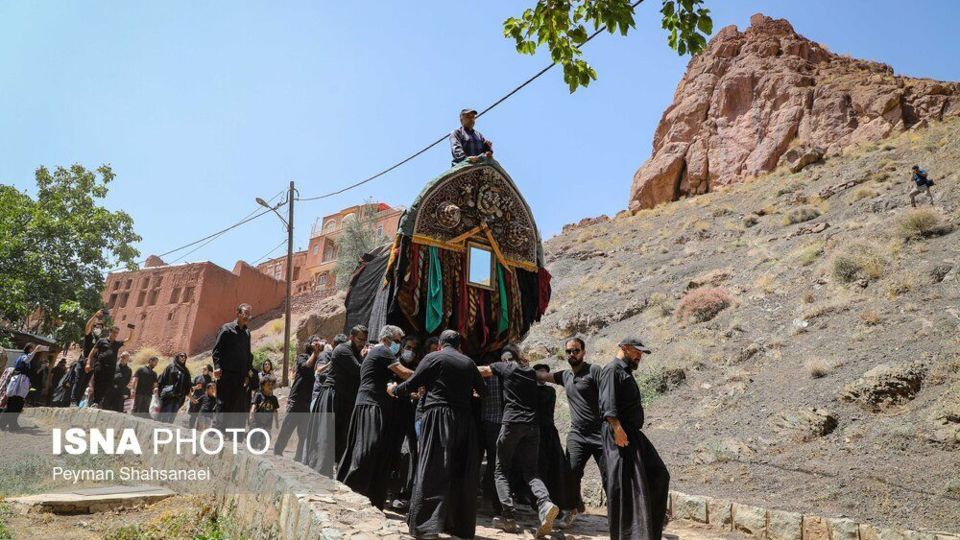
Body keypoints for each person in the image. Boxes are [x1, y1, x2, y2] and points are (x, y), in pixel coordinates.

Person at [388, 330, 486, 540]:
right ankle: (458, 527)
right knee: (459, 472)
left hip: (437, 417)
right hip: (464, 421)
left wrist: (394, 391)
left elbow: (412, 383)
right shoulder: (468, 363)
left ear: (441, 344)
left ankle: (426, 526)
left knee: (432, 468)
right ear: (459, 345)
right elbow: (483, 390)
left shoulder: (433, 358)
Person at [478, 347, 560, 537]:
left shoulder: (505, 367)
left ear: (506, 359)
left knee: (500, 470)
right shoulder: (531, 373)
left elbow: (482, 371)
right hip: (533, 426)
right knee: (531, 471)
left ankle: (509, 517)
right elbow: (549, 377)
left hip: (511, 424)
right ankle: (545, 503)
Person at [600, 337, 670, 540]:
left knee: (658, 475)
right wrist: (617, 428)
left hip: (633, 434)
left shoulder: (624, 371)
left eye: (641, 353)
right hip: (620, 434)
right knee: (625, 486)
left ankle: (648, 532)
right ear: (624, 348)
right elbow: (607, 403)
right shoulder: (612, 369)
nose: (640, 356)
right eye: (637, 351)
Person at [338, 325, 414, 509]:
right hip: (370, 406)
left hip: (377, 406)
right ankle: (350, 494)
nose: (399, 345)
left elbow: (391, 383)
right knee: (366, 451)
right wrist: (428, 375)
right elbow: (403, 372)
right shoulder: (383, 351)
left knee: (379, 454)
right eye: (397, 341)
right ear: (386, 339)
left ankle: (372, 501)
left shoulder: (382, 354)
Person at [535, 337, 607, 527]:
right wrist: (518, 370)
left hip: (600, 434)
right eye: (568, 351)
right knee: (570, 473)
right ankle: (571, 510)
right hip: (577, 434)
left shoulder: (594, 371)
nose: (572, 354)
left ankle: (619, 516)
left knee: (610, 476)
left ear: (583, 352)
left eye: (576, 350)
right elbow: (543, 376)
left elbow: (609, 396)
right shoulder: (566, 376)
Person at [305, 325, 367, 475]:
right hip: (333, 397)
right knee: (326, 436)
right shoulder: (343, 350)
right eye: (360, 339)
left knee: (341, 438)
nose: (362, 343)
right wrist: (368, 358)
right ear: (351, 337)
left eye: (364, 340)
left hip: (345, 399)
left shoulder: (356, 352)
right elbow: (360, 370)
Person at [533, 364, 578, 524]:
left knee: (543, 467)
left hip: (540, 431)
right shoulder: (548, 391)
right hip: (546, 431)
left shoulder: (541, 391)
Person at [388, 335, 424, 511]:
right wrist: (409, 393)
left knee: (410, 454)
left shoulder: (415, 367)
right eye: (408, 347)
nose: (410, 351)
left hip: (410, 415)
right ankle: (391, 493)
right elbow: (392, 387)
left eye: (413, 349)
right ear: (402, 347)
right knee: (396, 453)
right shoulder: (395, 364)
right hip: (394, 414)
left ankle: (404, 492)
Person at [274, 336, 323, 460]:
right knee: (287, 427)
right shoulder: (302, 356)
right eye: (315, 341)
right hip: (297, 399)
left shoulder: (319, 359)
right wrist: (315, 353)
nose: (317, 343)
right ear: (309, 344)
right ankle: (277, 451)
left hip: (308, 401)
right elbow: (306, 367)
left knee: (304, 433)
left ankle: (299, 457)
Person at [212, 304, 254, 430]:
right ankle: (216, 431)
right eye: (245, 313)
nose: (247, 316)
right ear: (238, 313)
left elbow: (248, 354)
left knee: (233, 403)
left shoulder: (247, 333)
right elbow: (217, 350)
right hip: (226, 373)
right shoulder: (227, 329)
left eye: (249, 314)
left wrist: (247, 374)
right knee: (222, 402)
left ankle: (224, 432)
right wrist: (217, 366)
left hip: (240, 375)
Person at [478, 349, 507, 515]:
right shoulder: (500, 377)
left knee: (493, 461)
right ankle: (490, 499)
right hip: (497, 422)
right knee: (495, 462)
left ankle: (489, 500)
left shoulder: (483, 377)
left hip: (486, 421)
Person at [86, 324, 134, 408]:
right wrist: (88, 363)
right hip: (100, 365)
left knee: (107, 385)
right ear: (110, 332)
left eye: (117, 333)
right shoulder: (101, 341)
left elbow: (129, 340)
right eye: (114, 332)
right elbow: (93, 352)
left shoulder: (117, 343)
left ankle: (99, 401)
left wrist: (131, 331)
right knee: (97, 383)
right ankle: (95, 402)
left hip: (111, 368)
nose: (115, 334)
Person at [0, 344, 43, 431]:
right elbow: (27, 360)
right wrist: (35, 351)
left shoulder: (26, 359)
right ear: (30, 349)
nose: (35, 349)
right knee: (14, 405)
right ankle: (4, 424)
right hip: (18, 384)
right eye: (33, 348)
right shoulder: (23, 357)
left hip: (21, 384)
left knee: (17, 405)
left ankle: (12, 424)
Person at [72, 310, 107, 405]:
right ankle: (73, 401)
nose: (98, 328)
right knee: (78, 381)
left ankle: (77, 403)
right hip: (83, 361)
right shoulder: (90, 335)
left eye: (100, 327)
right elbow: (87, 327)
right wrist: (95, 316)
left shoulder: (100, 341)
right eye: (96, 326)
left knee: (84, 384)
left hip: (91, 364)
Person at [157, 352, 192, 423]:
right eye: (181, 356)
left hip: (178, 398)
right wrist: (159, 392)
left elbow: (188, 385)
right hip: (168, 397)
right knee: (164, 418)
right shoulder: (170, 367)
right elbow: (162, 380)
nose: (183, 358)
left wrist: (189, 396)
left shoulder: (185, 371)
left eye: (185, 357)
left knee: (171, 419)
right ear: (177, 357)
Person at [248, 375, 279, 450]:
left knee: (265, 440)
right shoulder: (259, 395)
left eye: (272, 385)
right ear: (263, 386)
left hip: (267, 424)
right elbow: (253, 406)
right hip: (257, 423)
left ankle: (262, 451)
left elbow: (275, 411)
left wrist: (277, 422)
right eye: (268, 385)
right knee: (254, 440)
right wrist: (251, 415)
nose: (270, 386)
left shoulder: (274, 399)